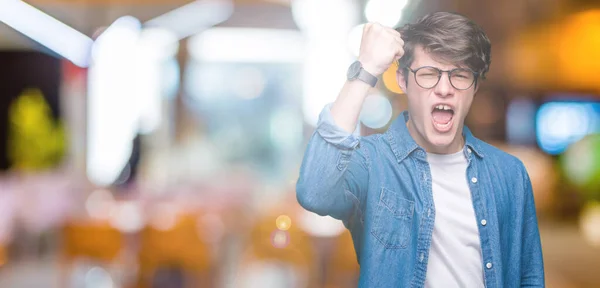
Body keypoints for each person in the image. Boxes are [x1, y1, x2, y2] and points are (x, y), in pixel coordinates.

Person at [295, 11, 544, 287]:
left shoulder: (509, 174)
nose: (444, 89)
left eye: (460, 75)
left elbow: (529, 278)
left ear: (474, 86)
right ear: (403, 80)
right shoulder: (373, 163)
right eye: (429, 74)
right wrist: (365, 68)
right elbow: (315, 191)